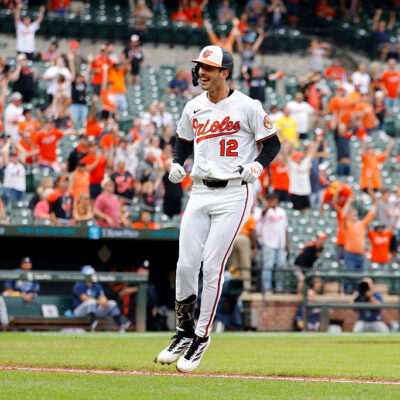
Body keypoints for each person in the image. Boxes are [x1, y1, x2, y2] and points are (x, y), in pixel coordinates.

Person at [155, 45, 280, 372]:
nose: (201, 73)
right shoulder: (193, 106)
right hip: (199, 190)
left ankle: (201, 335)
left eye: (209, 68)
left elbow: (273, 142)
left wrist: (258, 165)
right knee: (184, 266)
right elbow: (182, 139)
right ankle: (182, 332)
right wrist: (176, 163)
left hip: (234, 193)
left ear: (225, 72)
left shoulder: (247, 105)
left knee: (211, 267)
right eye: (199, 67)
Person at [73, 265, 128, 332]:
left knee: (112, 303)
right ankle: (93, 326)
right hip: (79, 312)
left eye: (92, 274)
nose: (90, 276)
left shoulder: (96, 285)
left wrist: (103, 301)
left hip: (94, 310)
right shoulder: (79, 285)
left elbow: (103, 298)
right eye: (88, 275)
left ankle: (121, 327)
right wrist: (99, 301)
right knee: (90, 302)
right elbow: (84, 299)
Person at [342, 195, 376, 294]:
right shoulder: (347, 225)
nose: (355, 217)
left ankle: (358, 294)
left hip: (360, 255)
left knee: (360, 277)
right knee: (349, 275)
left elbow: (370, 215)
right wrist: (349, 202)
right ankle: (345, 293)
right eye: (353, 215)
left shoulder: (361, 224)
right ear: (350, 216)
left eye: (356, 215)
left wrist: (375, 203)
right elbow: (343, 215)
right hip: (350, 255)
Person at [259, 193, 288, 293]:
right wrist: (268, 205)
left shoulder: (282, 211)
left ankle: (279, 288)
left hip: (280, 243)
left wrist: (287, 243)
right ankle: (267, 288)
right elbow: (262, 214)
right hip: (268, 243)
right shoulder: (266, 211)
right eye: (273, 200)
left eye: (276, 199)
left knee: (280, 266)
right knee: (268, 266)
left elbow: (285, 228)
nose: (275, 201)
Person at [229, 210, 258, 292]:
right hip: (244, 238)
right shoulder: (250, 216)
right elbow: (252, 232)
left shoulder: (234, 214)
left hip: (233, 238)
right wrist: (255, 247)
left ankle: (234, 287)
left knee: (233, 265)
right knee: (245, 264)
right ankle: (246, 287)